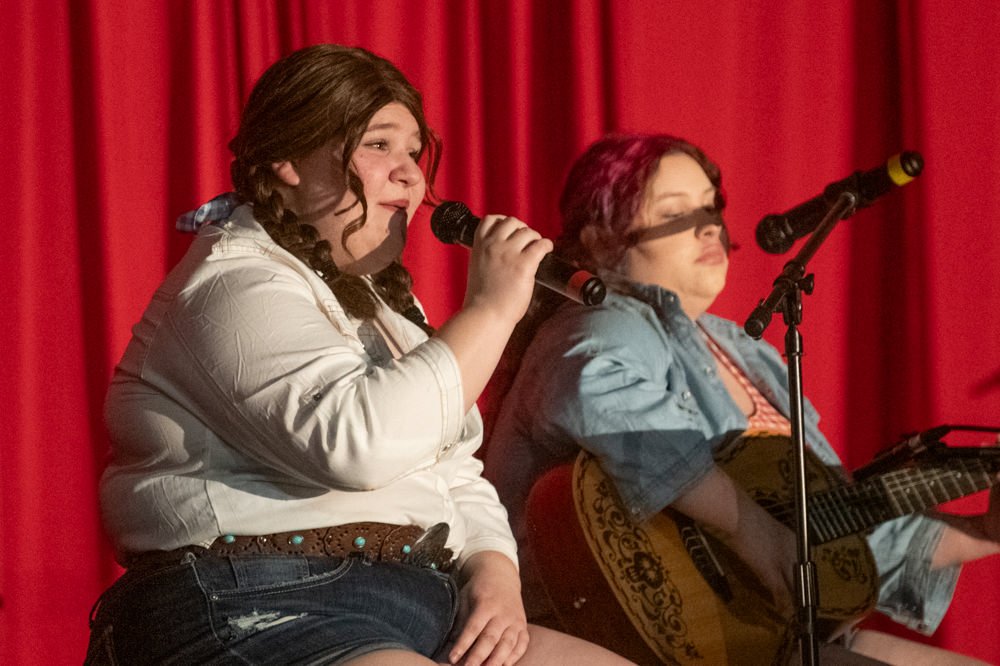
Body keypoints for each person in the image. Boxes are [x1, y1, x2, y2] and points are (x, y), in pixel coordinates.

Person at [85, 44, 634, 666]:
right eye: (379, 145)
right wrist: (491, 311)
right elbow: (357, 446)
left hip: (415, 598)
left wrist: (493, 568)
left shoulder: (387, 307)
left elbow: (453, 467)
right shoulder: (233, 285)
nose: (410, 174)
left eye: (414, 152)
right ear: (287, 160)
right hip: (253, 600)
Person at [484, 133, 1000, 665]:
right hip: (624, 638)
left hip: (763, 632)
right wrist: (750, 530)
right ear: (598, 241)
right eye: (676, 211)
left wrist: (985, 531)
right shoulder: (602, 322)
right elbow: (609, 404)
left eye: (711, 206)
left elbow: (841, 534)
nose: (708, 224)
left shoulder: (745, 352)